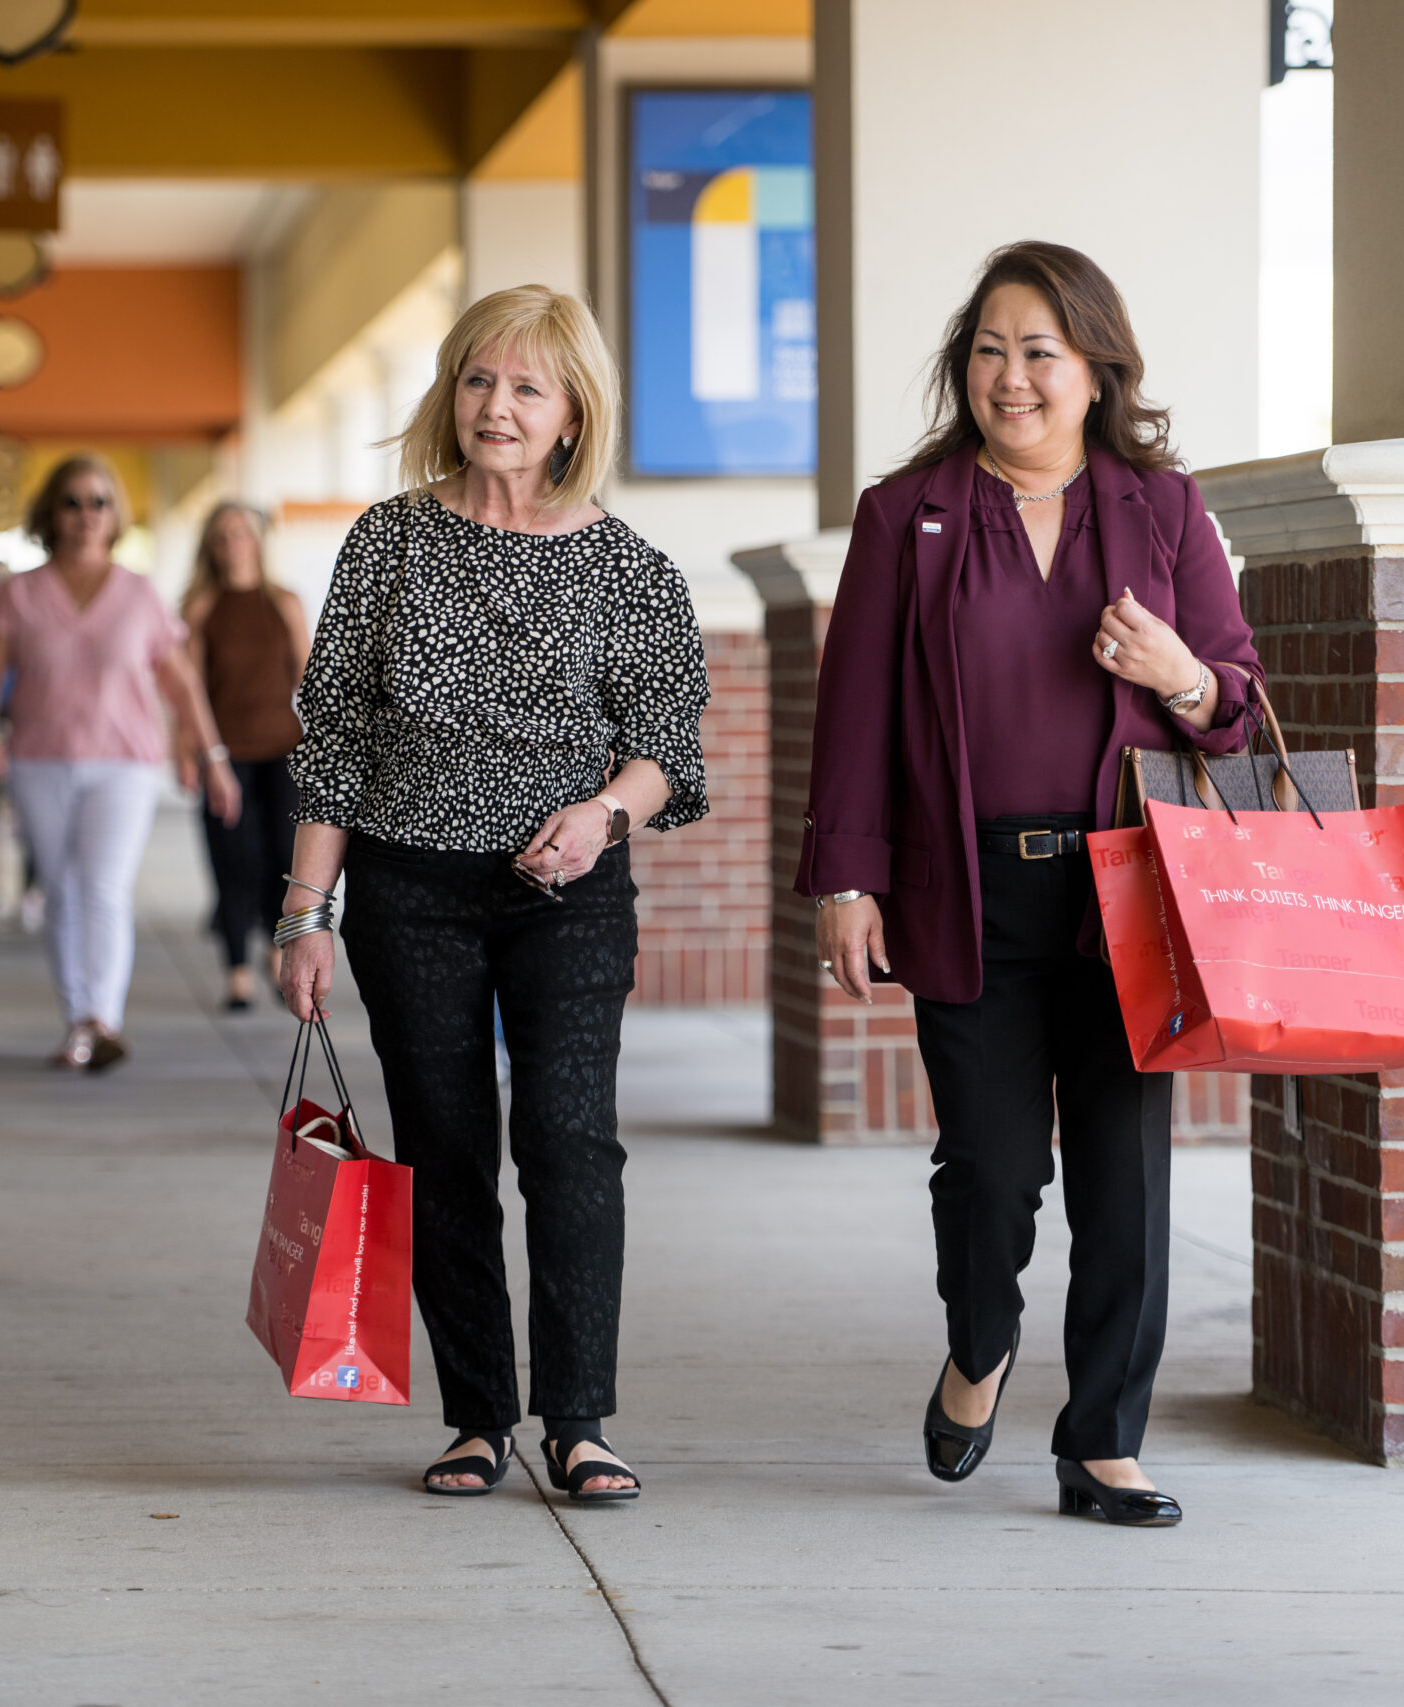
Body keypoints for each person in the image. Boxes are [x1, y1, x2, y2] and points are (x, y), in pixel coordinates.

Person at [800, 242, 1264, 1527]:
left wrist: (1178, 672)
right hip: (968, 887)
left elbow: (1233, 698)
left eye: (1039, 352)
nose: (1011, 377)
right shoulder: (909, 513)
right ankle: (980, 1342)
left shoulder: (1162, 509)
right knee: (991, 1173)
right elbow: (854, 716)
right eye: (990, 350)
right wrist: (848, 880)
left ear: (1094, 368)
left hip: (1128, 891)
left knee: (1125, 1178)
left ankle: (1103, 1443)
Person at [277, 285, 709, 1503]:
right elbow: (335, 746)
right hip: (410, 893)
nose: (496, 406)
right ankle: (478, 1416)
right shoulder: (389, 543)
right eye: (477, 380)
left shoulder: (628, 569)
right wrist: (305, 915)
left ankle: (579, 1419)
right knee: (447, 1150)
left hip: (566, 893)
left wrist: (604, 813)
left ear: (574, 411)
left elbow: (665, 744)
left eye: (525, 386)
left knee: (571, 1144)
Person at [0, 455, 240, 1072]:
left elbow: (180, 685)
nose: (85, 515)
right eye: (72, 502)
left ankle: (102, 1018)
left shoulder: (139, 595)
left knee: (102, 887)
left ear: (115, 515)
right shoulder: (18, 594)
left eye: (98, 501)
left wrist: (213, 759)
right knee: (62, 889)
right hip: (41, 760)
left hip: (124, 764)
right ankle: (77, 1018)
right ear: (52, 513)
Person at [180, 503, 312, 1011]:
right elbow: (188, 690)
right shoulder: (201, 607)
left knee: (283, 855)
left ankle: (273, 952)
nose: (233, 542)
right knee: (232, 857)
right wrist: (190, 754)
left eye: (241, 533)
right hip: (224, 753)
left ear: (258, 539)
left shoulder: (284, 602)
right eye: (222, 535)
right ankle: (235, 970)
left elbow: (308, 676)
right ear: (211, 546)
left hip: (284, 749)